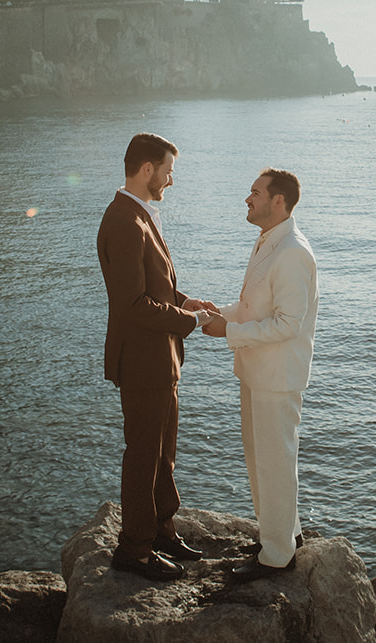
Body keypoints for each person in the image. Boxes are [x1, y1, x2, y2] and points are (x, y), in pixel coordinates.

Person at [97, 132, 219, 581]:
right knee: (144, 454)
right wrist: (190, 323)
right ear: (147, 170)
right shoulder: (124, 222)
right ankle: (135, 550)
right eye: (168, 171)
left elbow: (155, 290)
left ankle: (162, 530)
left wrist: (185, 303)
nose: (171, 180)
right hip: (144, 362)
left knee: (164, 452)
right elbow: (132, 305)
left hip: (161, 359)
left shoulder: (141, 215)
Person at [196, 167, 318, 582]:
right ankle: (284, 535)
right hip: (257, 371)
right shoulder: (269, 242)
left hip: (277, 377)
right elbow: (256, 308)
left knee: (274, 462)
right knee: (260, 460)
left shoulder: (293, 252)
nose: (247, 199)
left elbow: (288, 324)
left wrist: (228, 331)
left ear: (278, 201)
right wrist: (220, 315)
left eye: (255, 192)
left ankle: (277, 555)